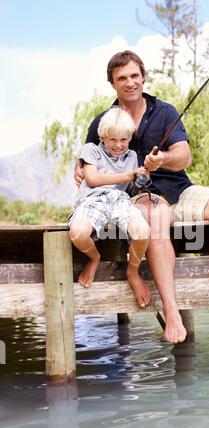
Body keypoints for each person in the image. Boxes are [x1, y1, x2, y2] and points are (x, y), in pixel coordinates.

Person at [75, 50, 209, 343]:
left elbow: (184, 157)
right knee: (156, 218)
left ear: (143, 77)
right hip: (138, 195)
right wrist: (77, 170)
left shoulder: (165, 112)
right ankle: (172, 311)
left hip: (179, 187)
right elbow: (86, 163)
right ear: (112, 83)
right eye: (121, 78)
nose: (129, 83)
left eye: (134, 76)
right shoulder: (103, 120)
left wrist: (162, 159)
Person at [69, 107, 151, 309]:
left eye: (124, 140)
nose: (118, 145)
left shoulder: (131, 155)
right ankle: (94, 258)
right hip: (93, 199)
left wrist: (141, 179)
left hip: (119, 200)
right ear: (103, 136)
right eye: (113, 140)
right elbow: (93, 179)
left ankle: (132, 271)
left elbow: (130, 187)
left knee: (143, 232)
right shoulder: (91, 150)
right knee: (78, 233)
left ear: (129, 138)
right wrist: (127, 175)